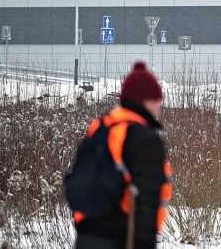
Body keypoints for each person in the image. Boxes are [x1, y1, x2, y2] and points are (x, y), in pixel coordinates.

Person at [70, 61, 171, 249]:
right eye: (157, 101)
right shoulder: (144, 139)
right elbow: (147, 198)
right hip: (122, 237)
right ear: (146, 101)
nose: (159, 107)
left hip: (86, 234)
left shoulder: (100, 128)